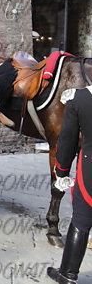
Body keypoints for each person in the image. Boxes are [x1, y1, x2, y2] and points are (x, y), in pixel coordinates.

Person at [47, 85, 92, 283]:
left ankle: (67, 274)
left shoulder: (79, 98)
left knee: (82, 219)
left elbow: (67, 140)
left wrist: (61, 171)